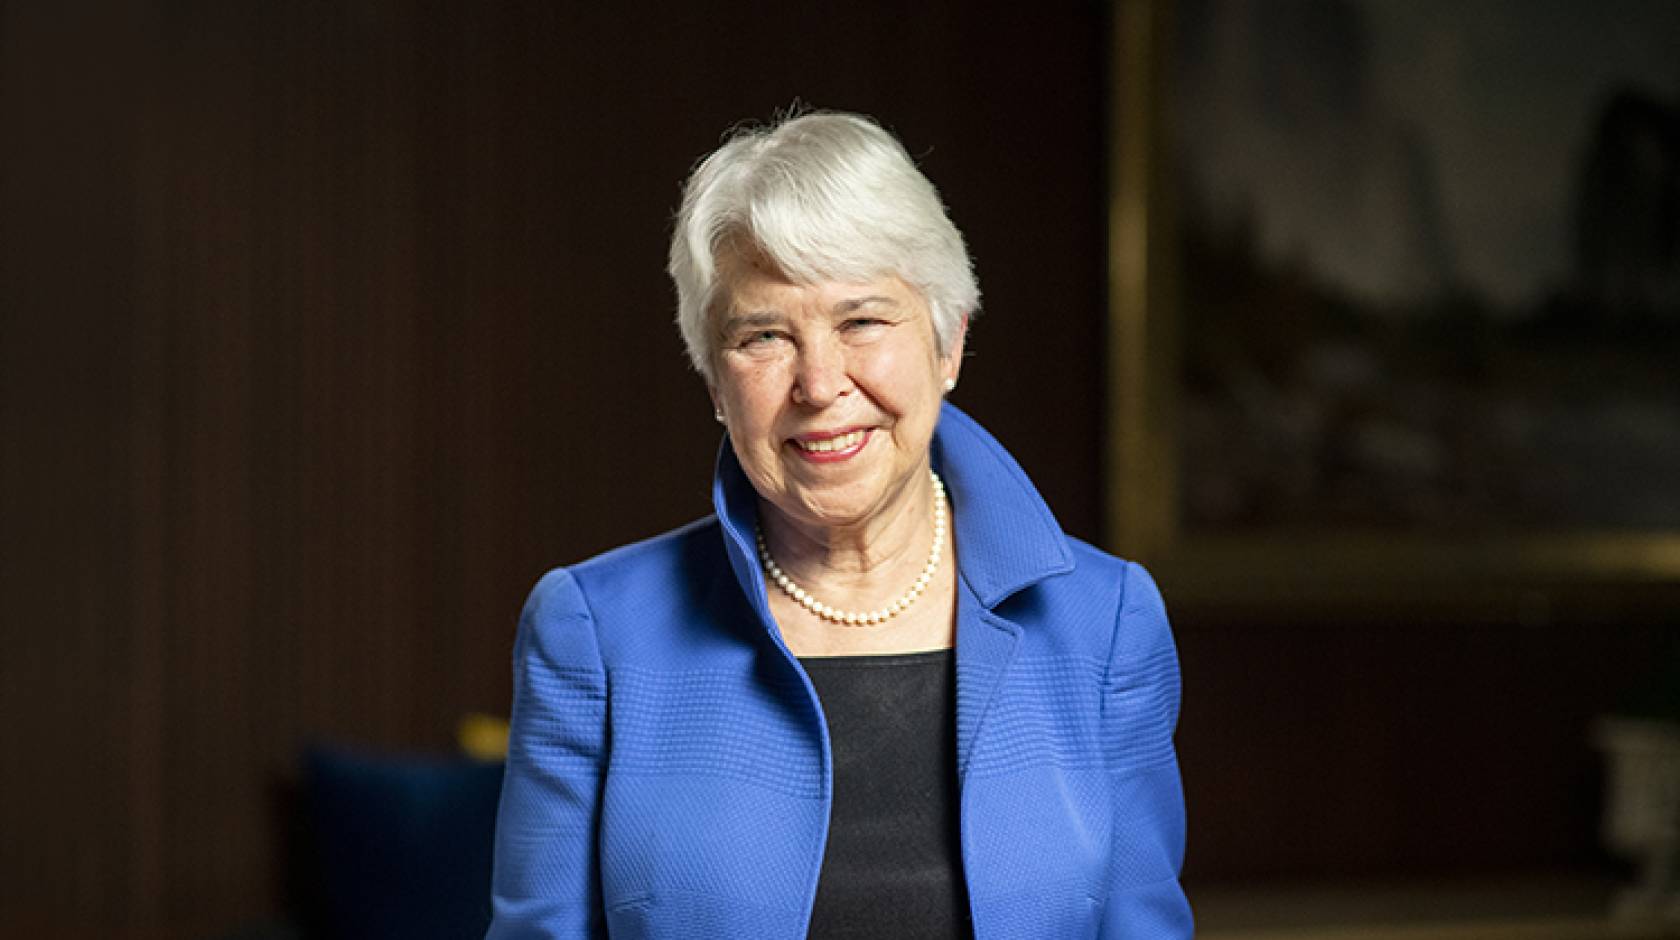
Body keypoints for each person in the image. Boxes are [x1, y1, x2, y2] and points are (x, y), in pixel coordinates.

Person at [487, 110, 1190, 939]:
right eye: (764, 336)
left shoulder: (1105, 623)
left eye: (861, 321)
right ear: (715, 381)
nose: (819, 384)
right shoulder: (592, 635)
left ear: (948, 343)